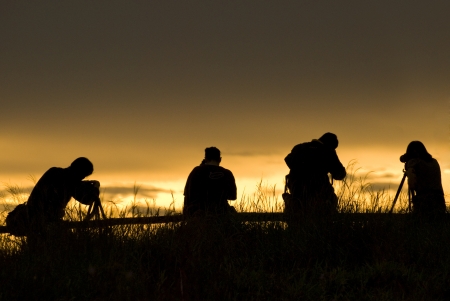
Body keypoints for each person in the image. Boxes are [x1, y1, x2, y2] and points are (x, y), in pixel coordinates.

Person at [6, 157, 101, 235]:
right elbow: (87, 200)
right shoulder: (69, 181)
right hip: (44, 223)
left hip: (35, 219)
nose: (83, 177)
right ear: (79, 171)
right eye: (83, 175)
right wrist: (95, 188)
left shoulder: (54, 172)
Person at [284, 132, 346, 216]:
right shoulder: (327, 151)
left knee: (295, 206)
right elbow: (340, 174)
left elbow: (287, 160)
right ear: (331, 145)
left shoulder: (299, 148)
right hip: (318, 192)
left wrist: (300, 168)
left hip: (297, 190)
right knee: (332, 201)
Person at [183, 147, 237, 216]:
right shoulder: (227, 173)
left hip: (199, 214)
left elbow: (187, 195)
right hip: (221, 213)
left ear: (205, 159)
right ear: (220, 159)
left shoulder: (196, 171)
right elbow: (233, 196)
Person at [400, 141, 446, 217]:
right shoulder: (434, 162)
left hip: (424, 202)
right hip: (439, 201)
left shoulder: (414, 162)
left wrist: (409, 168)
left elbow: (412, 183)